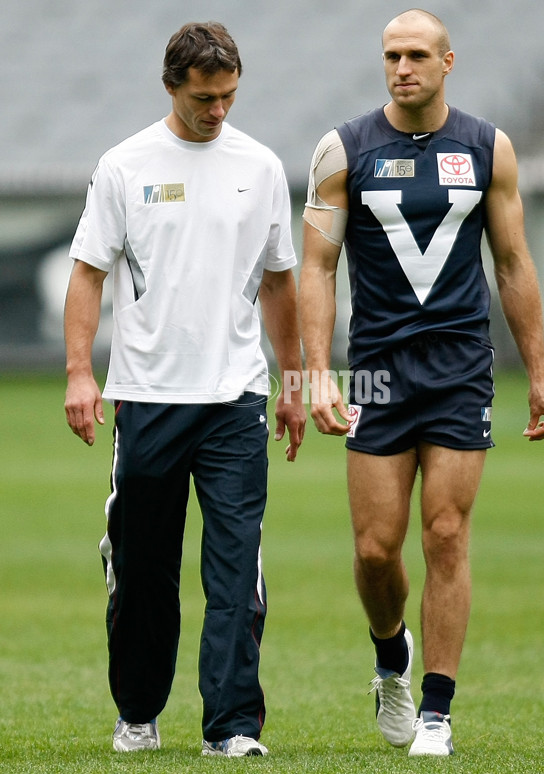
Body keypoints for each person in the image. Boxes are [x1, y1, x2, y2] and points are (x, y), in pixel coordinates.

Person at [299, 8, 544, 758]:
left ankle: (439, 714)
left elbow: (513, 265)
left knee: (446, 534)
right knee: (376, 550)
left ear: (449, 62)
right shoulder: (341, 148)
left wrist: (539, 377)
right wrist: (318, 375)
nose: (401, 67)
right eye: (391, 55)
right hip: (378, 370)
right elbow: (317, 268)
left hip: (457, 367)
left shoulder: (488, 147)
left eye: (417, 54)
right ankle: (392, 658)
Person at [64, 21, 305, 758]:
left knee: (236, 570)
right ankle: (137, 710)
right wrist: (80, 370)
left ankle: (231, 726)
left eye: (230, 95)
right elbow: (87, 272)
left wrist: (293, 378)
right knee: (142, 571)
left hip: (235, 400)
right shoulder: (124, 165)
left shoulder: (260, 166)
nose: (219, 110)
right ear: (171, 86)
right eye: (205, 97)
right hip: (147, 398)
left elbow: (279, 280)